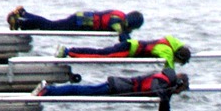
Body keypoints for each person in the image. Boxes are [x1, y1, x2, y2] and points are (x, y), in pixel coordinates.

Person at [35, 67, 188, 111]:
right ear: (178, 84)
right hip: (116, 87)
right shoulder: (164, 83)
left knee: (84, 90)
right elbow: (162, 98)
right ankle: (49, 90)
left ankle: (50, 90)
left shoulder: (165, 80)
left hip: (118, 86)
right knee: (83, 91)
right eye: (179, 90)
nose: (177, 93)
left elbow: (163, 99)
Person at [55, 36, 191, 69]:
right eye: (179, 62)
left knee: (101, 53)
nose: (177, 63)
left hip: (129, 46)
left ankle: (68, 51)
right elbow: (168, 66)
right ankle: (68, 51)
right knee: (100, 55)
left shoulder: (171, 43)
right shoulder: (166, 50)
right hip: (128, 50)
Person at [7, 6, 144, 38]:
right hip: (81, 20)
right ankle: (22, 16)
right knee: (51, 26)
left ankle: (22, 22)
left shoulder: (120, 16)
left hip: (83, 18)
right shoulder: (117, 20)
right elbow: (121, 35)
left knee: (52, 25)